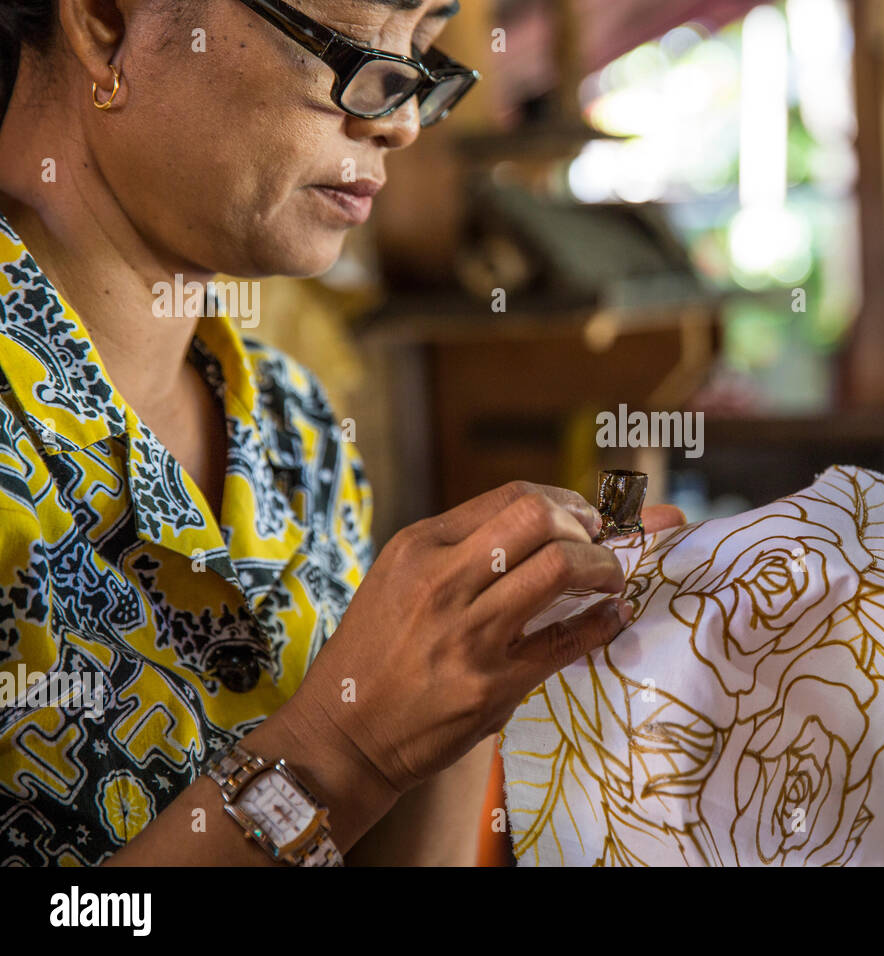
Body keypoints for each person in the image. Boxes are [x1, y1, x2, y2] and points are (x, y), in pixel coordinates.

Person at [0, 0, 684, 866]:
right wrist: (344, 748)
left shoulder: (297, 430)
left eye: (425, 48)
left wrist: (470, 687)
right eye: (361, 40)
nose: (400, 123)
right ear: (104, 22)